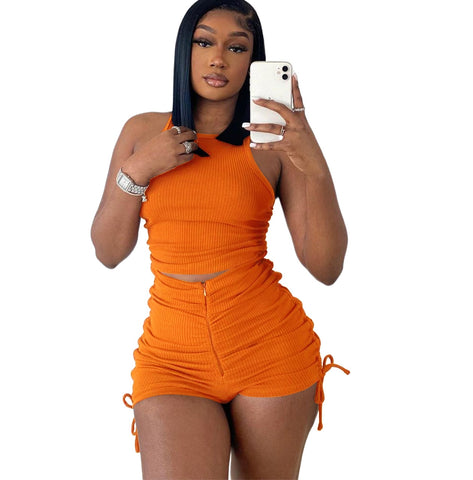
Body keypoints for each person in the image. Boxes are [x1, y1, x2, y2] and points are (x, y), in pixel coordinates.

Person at [91, 0, 349, 478]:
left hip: (268, 347)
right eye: (204, 42)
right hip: (173, 358)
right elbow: (108, 251)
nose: (218, 58)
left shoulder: (274, 145)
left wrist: (313, 160)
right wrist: (139, 169)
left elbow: (326, 266)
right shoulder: (142, 132)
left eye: (237, 47)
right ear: (184, 50)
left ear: (253, 60)